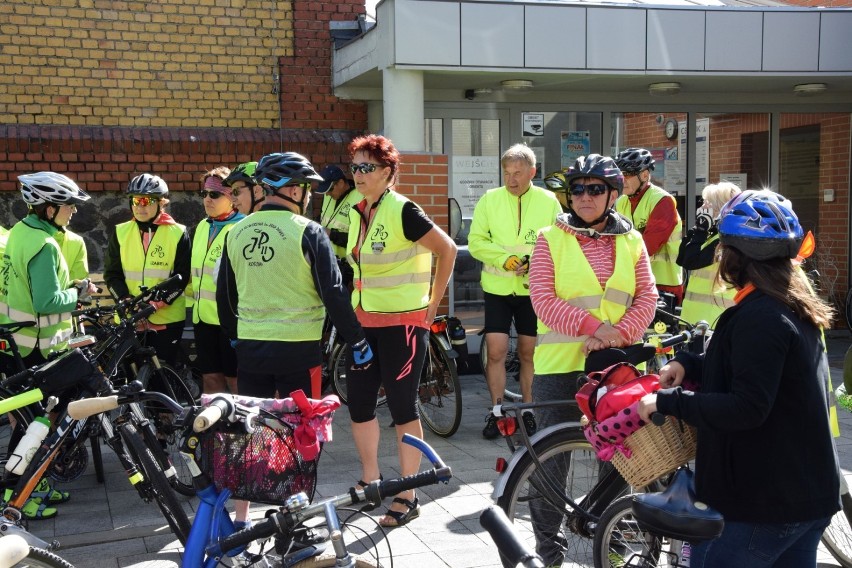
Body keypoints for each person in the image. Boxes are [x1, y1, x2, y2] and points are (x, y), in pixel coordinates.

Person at [638, 191, 840, 568]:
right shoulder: (786, 304)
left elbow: (747, 407)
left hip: (763, 503)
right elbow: (756, 371)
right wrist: (691, 365)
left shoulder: (762, 317)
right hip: (804, 495)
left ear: (734, 255)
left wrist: (668, 402)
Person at [528, 154, 657, 566]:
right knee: (552, 460)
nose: (584, 196)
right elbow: (542, 299)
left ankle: (608, 536)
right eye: (577, 189)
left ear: (613, 195)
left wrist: (618, 336)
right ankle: (549, 550)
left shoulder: (632, 240)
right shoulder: (551, 237)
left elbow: (648, 298)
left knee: (621, 455)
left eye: (595, 189)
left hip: (615, 367)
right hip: (561, 366)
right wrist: (594, 328)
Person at [345, 134, 457, 528]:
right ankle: (371, 480)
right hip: (365, 325)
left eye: (367, 167)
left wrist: (431, 307)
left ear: (388, 172)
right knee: (358, 404)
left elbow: (448, 249)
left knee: (402, 407)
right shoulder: (358, 211)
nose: (358, 174)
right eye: (355, 166)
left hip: (403, 328)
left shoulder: (403, 209)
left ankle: (408, 494)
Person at [217, 151, 373, 401]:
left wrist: (235, 336)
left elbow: (225, 295)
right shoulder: (310, 231)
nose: (310, 195)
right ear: (293, 191)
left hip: (250, 349)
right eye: (307, 188)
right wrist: (357, 340)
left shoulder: (235, 232)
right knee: (304, 429)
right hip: (298, 351)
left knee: (258, 429)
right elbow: (332, 292)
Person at [0, 171, 97, 520]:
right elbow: (47, 300)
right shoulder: (45, 244)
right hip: (37, 348)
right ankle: (14, 496)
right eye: (68, 205)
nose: (72, 212)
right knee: (32, 428)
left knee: (31, 424)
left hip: (17, 345)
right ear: (49, 207)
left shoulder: (20, 234)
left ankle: (31, 486)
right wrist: (80, 292)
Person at [468, 143, 562, 439]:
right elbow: (476, 241)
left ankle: (529, 411)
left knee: (528, 353)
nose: (511, 179)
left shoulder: (549, 201)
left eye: (518, 173)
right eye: (507, 173)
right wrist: (504, 260)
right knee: (495, 351)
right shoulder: (489, 199)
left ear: (532, 172)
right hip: (497, 288)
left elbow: (560, 242)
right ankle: (497, 412)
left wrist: (534, 262)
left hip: (534, 292)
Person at [103, 173, 190, 366]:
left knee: (162, 375)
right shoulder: (120, 232)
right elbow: (112, 274)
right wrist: (125, 300)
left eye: (147, 200)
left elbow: (182, 276)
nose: (140, 206)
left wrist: (155, 304)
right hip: (129, 318)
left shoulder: (178, 232)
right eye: (135, 200)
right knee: (130, 378)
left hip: (166, 319)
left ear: (162, 202)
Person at [189, 167, 245, 395]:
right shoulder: (203, 226)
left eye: (214, 194)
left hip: (230, 321)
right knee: (210, 379)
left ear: (231, 197)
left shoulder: (242, 227)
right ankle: (215, 429)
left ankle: (244, 428)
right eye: (204, 194)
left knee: (235, 380)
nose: (207, 200)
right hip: (202, 318)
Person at [614, 147, 684, 304]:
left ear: (644, 175)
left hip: (663, 286)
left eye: (628, 174)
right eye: (620, 174)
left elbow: (647, 247)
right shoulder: (621, 201)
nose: (622, 179)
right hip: (632, 284)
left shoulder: (662, 201)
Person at [677, 181, 741, 328]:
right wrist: (699, 228)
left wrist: (701, 230)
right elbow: (682, 258)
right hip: (694, 317)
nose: (703, 208)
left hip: (713, 319)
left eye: (708, 204)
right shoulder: (711, 235)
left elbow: (691, 261)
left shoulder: (726, 240)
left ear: (720, 207)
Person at [317, 165, 360, 288]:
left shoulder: (359, 198)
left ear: (341, 183)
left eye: (330, 190)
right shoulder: (328, 196)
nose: (328, 194)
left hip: (347, 268)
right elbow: (324, 220)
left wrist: (331, 234)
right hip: (325, 262)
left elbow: (361, 239)